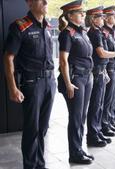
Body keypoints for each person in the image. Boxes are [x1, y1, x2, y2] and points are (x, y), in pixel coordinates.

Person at [3, 0, 56, 168]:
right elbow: (8, 58)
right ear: (30, 3)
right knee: (32, 129)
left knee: (43, 127)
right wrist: (13, 88)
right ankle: (30, 165)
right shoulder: (20, 26)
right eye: (41, 0)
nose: (46, 2)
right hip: (32, 83)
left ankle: (40, 163)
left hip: (49, 81)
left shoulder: (47, 27)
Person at [57, 0, 94, 164]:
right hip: (75, 79)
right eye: (80, 13)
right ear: (70, 15)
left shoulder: (82, 32)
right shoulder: (67, 33)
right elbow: (63, 61)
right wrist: (68, 84)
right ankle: (74, 153)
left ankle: (79, 149)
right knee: (76, 117)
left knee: (82, 116)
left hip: (86, 77)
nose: (83, 15)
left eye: (83, 12)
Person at [85, 6, 115, 146]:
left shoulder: (98, 32)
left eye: (103, 17)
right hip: (97, 71)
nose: (102, 19)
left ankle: (98, 130)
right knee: (96, 104)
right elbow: (101, 53)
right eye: (100, 17)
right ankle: (93, 134)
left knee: (101, 104)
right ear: (93, 20)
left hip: (102, 70)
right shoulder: (95, 33)